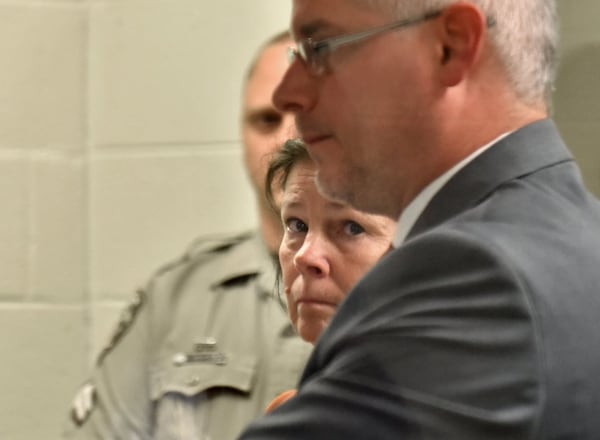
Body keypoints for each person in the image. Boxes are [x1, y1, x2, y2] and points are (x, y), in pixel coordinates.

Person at [240, 1, 600, 439]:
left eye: (321, 50)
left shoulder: (475, 272)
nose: (288, 94)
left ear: (450, 46)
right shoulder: (566, 227)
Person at [64, 31, 313, 440]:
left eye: (307, 115)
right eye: (266, 119)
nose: (287, 138)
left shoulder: (409, 286)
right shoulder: (175, 299)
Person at [262, 138, 396, 413]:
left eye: (351, 228)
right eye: (297, 225)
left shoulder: (455, 415)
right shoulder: (291, 414)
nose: (305, 257)